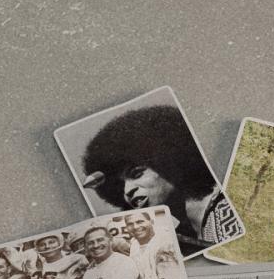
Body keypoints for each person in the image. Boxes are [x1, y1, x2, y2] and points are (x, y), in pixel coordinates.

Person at [78, 99, 242, 255]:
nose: (127, 191)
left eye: (136, 174)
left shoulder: (227, 210)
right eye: (120, 187)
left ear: (169, 162)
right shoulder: (185, 234)